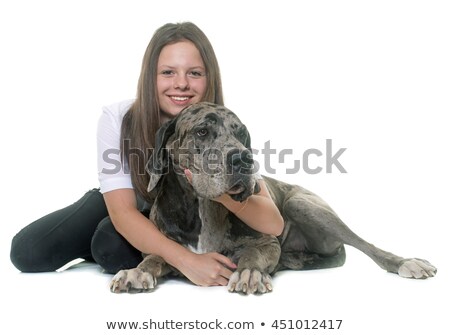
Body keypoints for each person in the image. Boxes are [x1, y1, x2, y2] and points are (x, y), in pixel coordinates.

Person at [10, 22, 284, 287]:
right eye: (167, 72)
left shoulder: (223, 127)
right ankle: (90, 241)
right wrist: (189, 261)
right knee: (28, 251)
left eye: (195, 73)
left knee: (110, 247)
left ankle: (104, 244)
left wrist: (221, 187)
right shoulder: (118, 117)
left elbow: (272, 222)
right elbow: (123, 213)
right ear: (149, 76)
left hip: (175, 221)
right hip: (124, 202)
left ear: (209, 78)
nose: (181, 84)